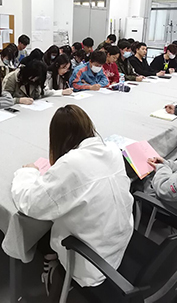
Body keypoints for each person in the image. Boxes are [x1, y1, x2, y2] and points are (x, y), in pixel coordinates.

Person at [11, 105, 133, 294]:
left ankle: (54, 270)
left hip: (93, 263)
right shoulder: (112, 150)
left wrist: (28, 172)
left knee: (40, 227)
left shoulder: (71, 163)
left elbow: (31, 203)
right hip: (119, 244)